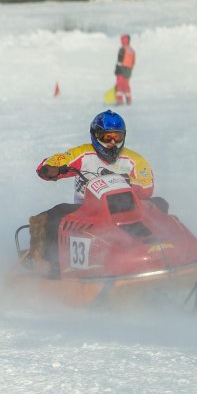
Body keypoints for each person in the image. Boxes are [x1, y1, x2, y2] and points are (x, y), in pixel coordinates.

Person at [28, 110, 158, 275]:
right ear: (96, 136)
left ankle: (162, 250)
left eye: (117, 137)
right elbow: (55, 162)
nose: (112, 143)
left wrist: (125, 183)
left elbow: (146, 188)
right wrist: (51, 169)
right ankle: (52, 265)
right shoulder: (83, 154)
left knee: (159, 205)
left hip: (126, 210)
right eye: (107, 137)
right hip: (86, 211)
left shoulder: (135, 160)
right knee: (54, 216)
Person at [114, 34, 135, 105]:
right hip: (128, 70)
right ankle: (128, 100)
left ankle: (119, 101)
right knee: (126, 85)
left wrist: (117, 70)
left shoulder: (122, 49)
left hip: (121, 69)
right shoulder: (131, 50)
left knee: (119, 85)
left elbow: (120, 60)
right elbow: (133, 62)